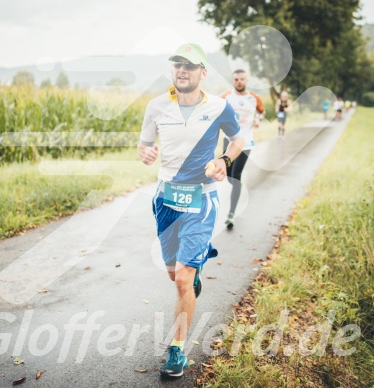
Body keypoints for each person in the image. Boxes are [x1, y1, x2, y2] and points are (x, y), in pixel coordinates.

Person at [138, 43, 244, 378]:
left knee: (182, 279)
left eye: (190, 66)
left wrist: (224, 160)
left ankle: (177, 350)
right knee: (175, 274)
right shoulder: (157, 107)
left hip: (202, 198)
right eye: (177, 65)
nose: (182, 71)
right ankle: (193, 268)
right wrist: (145, 152)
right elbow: (144, 143)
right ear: (173, 71)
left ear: (203, 72)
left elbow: (238, 139)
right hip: (166, 198)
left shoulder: (219, 106)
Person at [220, 69, 264, 229]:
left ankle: (231, 214)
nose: (239, 81)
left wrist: (258, 119)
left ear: (247, 80)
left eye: (242, 79)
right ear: (233, 81)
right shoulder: (226, 97)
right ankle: (237, 189)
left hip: (246, 143)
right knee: (229, 177)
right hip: (228, 142)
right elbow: (215, 111)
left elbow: (262, 111)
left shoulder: (254, 98)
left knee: (236, 177)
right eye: (236, 79)